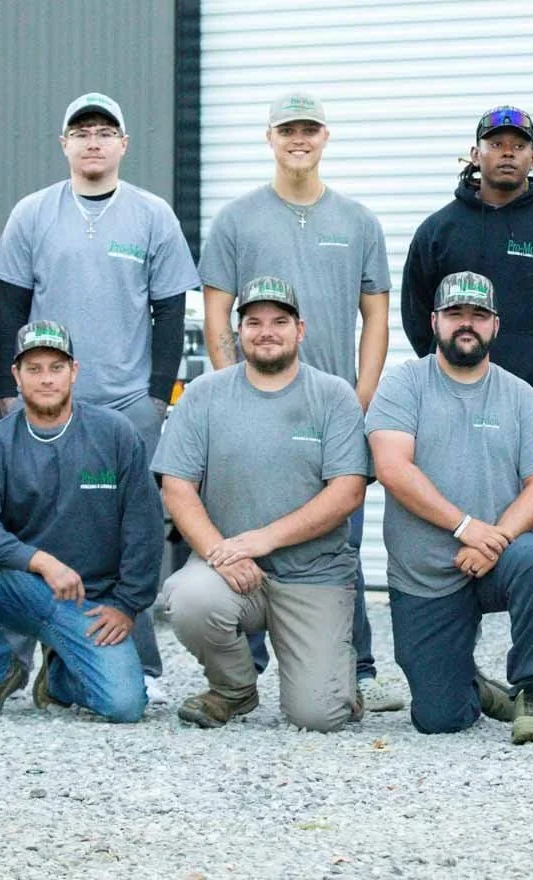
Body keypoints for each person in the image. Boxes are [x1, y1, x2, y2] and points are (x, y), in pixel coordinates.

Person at [0, 92, 199, 698]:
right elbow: (9, 308)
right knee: (28, 520)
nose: (93, 142)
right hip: (45, 400)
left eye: (105, 132)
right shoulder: (33, 213)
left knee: (132, 528)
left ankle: (141, 665)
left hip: (127, 400)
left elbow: (169, 311)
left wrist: (157, 397)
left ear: (123, 144)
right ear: (65, 145)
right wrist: (7, 393)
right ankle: (10, 665)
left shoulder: (152, 215)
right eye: (81, 133)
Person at [198, 92, 396, 711]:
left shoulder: (358, 222)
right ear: (270, 138)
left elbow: (376, 316)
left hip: (331, 413)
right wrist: (233, 392)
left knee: (338, 540)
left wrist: (362, 397)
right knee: (245, 534)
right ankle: (243, 673)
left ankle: (357, 668)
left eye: (309, 129)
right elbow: (216, 314)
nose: (299, 139)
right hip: (252, 404)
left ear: (325, 136)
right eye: (287, 129)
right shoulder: (236, 220)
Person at [401, 106, 533, 706]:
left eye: (518, 144)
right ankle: (454, 652)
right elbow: (416, 311)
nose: (506, 152)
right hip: (447, 395)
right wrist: (447, 375)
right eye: (495, 143)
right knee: (444, 517)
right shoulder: (440, 230)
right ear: (476, 152)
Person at [156, 277, 370, 731]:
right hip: (230, 570)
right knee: (189, 598)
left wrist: (263, 539)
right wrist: (219, 552)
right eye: (254, 322)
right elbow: (176, 486)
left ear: (300, 330)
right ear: (239, 331)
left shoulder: (334, 396)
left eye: (279, 321)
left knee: (319, 715)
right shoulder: (204, 394)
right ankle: (233, 689)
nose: (266, 332)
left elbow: (348, 491)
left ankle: (337, 675)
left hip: (313, 574)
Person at [366, 272, 533, 744]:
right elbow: (393, 468)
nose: (467, 323)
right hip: (425, 576)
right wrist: (465, 527)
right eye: (455, 314)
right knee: (440, 718)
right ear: (434, 321)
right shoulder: (403, 385)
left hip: (497, 560)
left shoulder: (520, 395)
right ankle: (473, 686)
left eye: (478, 314)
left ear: (496, 325)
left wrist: (493, 541)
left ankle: (532, 695)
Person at [0, 321, 164, 722]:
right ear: (16, 375)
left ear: (74, 371)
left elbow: (144, 527)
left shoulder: (114, 433)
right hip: (22, 588)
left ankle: (58, 678)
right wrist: (40, 561)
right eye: (34, 368)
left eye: (56, 368)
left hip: (91, 601)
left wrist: (127, 605)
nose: (46, 379)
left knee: (125, 706)